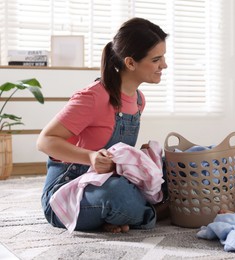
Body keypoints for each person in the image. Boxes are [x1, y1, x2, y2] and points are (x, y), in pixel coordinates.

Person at [36, 17, 168, 233]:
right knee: (117, 195)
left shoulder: (138, 99)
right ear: (130, 63)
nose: (164, 65)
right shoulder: (93, 97)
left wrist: (139, 160)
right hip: (68, 194)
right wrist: (90, 157)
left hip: (107, 181)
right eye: (156, 59)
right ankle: (157, 210)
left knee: (171, 166)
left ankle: (128, 213)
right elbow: (45, 141)